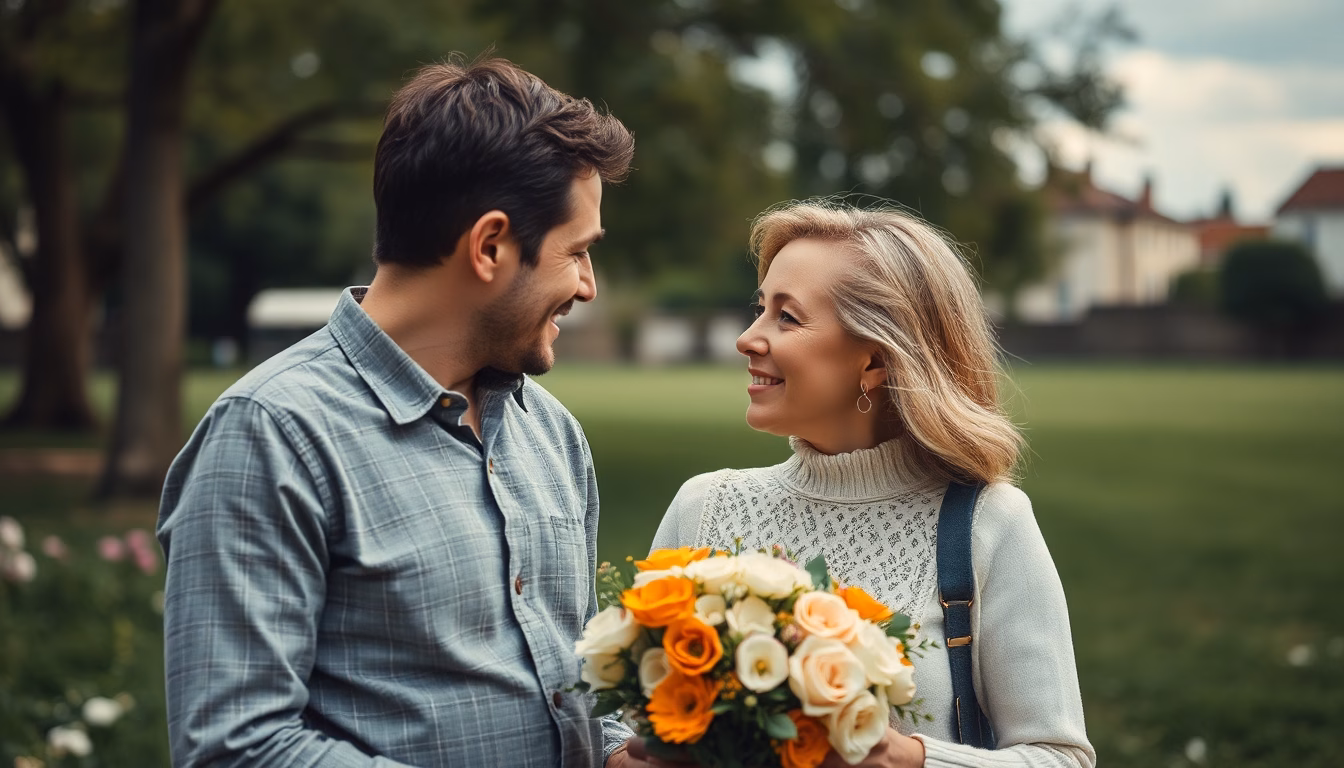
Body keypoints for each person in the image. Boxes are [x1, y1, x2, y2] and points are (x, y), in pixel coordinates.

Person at [157, 55, 639, 766]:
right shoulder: (271, 434)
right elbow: (238, 747)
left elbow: (576, 688)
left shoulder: (553, 434)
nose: (588, 286)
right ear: (491, 245)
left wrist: (621, 752)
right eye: (578, 253)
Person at [646, 201, 1096, 768]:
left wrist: (909, 759)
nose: (747, 339)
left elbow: (1060, 757)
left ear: (875, 361)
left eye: (787, 318)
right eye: (760, 309)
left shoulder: (988, 522)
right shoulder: (704, 507)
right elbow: (626, 722)